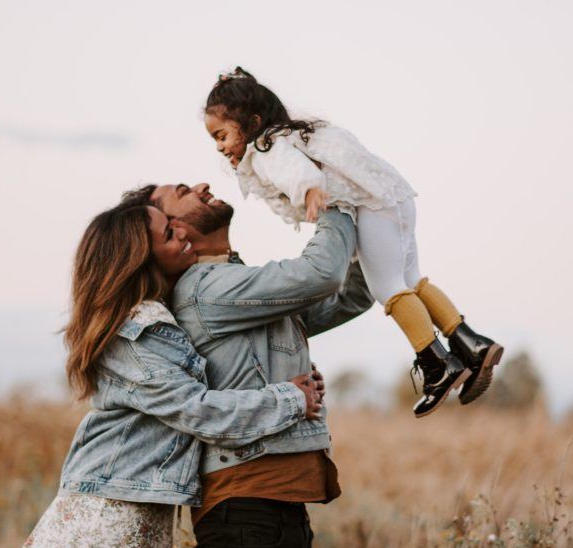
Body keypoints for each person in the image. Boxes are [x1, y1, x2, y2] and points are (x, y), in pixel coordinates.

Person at [0, 195, 323, 548]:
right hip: (110, 513)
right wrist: (288, 399)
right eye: (168, 232)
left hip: (138, 512)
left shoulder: (166, 317)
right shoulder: (134, 332)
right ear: (137, 257)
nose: (183, 233)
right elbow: (196, 410)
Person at [131, 180, 373, 548]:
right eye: (181, 192)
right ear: (173, 228)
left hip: (277, 508)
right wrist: (333, 197)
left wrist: (382, 228)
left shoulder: (237, 285)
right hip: (245, 508)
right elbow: (321, 273)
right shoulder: (207, 288)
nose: (200, 185)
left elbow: (350, 293)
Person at [202, 66, 504, 418]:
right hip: (393, 196)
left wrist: (310, 190)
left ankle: (438, 364)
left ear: (251, 123)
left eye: (221, 135)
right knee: (412, 281)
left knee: (388, 289)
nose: (220, 147)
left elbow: (293, 171)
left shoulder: (267, 149)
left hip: (369, 207)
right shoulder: (294, 134)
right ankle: (472, 344)